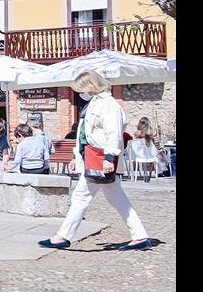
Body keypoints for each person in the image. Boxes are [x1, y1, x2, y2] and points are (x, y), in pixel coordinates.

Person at [40, 72, 154, 251]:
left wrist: (109, 157)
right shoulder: (95, 104)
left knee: (81, 197)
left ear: (90, 87)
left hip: (100, 158)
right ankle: (140, 236)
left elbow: (113, 133)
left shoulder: (108, 105)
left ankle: (63, 236)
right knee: (116, 198)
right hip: (92, 157)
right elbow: (85, 134)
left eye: (81, 89)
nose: (80, 94)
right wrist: (76, 157)